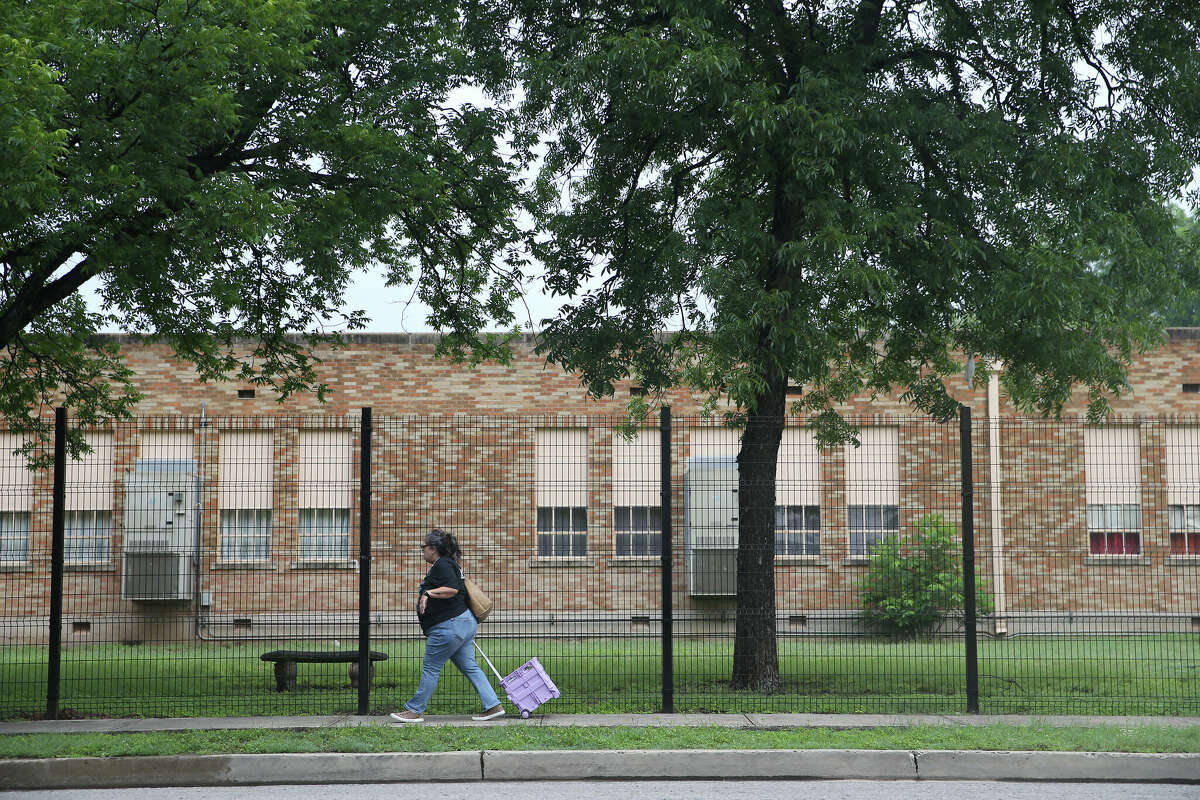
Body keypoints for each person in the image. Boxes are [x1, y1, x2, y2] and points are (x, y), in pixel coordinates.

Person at [390, 528, 504, 723]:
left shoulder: (442, 564)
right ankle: (493, 705)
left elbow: (451, 589)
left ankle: (415, 710)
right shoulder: (450, 564)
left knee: (431, 667)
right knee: (470, 666)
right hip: (462, 623)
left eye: (423, 546)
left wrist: (428, 594)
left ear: (433, 548)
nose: (422, 550)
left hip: (449, 626)